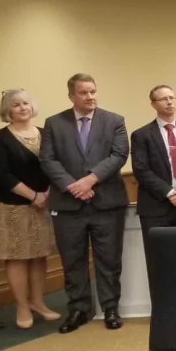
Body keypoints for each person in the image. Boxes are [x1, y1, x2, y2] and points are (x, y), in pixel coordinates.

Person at [39, 73, 129, 333]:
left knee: (109, 259)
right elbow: (48, 160)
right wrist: (72, 185)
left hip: (107, 203)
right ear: (71, 96)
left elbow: (119, 155)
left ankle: (111, 308)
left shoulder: (114, 121)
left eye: (93, 91)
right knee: (72, 260)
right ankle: (79, 309)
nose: (90, 97)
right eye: (83, 93)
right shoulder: (54, 124)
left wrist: (89, 180)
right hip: (68, 205)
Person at [0, 89, 60, 329]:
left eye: (25, 103)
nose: (22, 108)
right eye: (16, 104)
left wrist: (46, 193)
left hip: (43, 203)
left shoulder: (44, 134)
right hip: (11, 206)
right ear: (7, 110)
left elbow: (54, 165)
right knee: (17, 257)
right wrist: (32, 196)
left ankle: (38, 303)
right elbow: (2, 174)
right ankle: (21, 305)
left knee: (39, 256)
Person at [130, 85, 176, 239]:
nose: (169, 102)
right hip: (155, 206)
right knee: (158, 257)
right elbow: (141, 169)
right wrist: (170, 193)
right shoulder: (141, 135)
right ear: (153, 104)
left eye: (172, 98)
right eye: (164, 99)